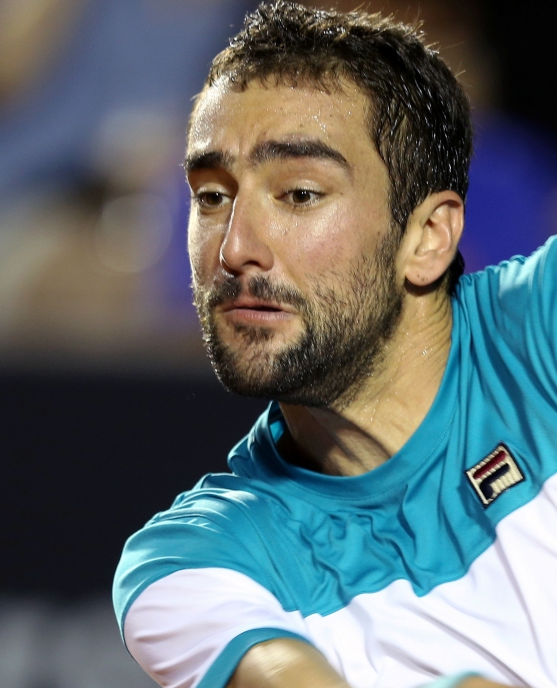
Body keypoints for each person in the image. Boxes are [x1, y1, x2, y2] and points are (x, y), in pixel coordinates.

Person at [113, 2, 557, 687]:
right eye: (210, 197)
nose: (235, 251)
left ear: (428, 238)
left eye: (298, 193)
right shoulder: (192, 563)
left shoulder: (542, 321)